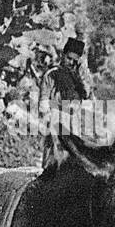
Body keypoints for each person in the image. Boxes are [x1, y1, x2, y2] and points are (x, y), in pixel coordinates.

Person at [39, 37, 90, 168]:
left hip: (73, 122)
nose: (70, 62)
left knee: (73, 158)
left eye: (74, 61)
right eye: (69, 58)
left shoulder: (79, 76)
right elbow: (44, 101)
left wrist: (79, 77)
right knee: (52, 158)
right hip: (56, 119)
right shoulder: (51, 75)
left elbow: (86, 94)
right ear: (62, 54)